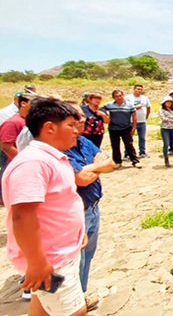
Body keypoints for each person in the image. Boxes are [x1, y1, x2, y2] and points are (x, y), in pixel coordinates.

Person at [2, 97, 87, 316]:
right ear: (49, 127)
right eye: (70, 125)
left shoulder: (51, 158)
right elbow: (22, 216)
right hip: (51, 258)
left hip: (59, 251)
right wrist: (37, 261)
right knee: (74, 312)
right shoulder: (34, 163)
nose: (76, 130)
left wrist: (77, 233)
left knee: (43, 310)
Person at [64, 102, 115, 312]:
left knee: (88, 256)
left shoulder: (83, 141)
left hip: (92, 207)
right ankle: (72, 303)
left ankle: (80, 296)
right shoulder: (59, 148)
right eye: (77, 116)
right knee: (75, 260)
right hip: (76, 212)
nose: (83, 119)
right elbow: (82, 179)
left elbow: (110, 163)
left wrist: (92, 168)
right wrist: (97, 166)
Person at [1, 93, 32, 205]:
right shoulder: (12, 122)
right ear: (23, 103)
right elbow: (7, 146)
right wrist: (25, 162)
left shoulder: (30, 121)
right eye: (32, 102)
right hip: (21, 168)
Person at [101, 90, 141, 169]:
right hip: (113, 128)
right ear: (113, 97)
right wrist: (105, 116)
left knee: (129, 145)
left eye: (120, 95)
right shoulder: (109, 105)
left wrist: (134, 127)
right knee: (115, 146)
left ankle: (135, 161)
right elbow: (101, 110)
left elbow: (134, 117)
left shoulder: (129, 105)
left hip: (126, 128)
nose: (119, 98)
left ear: (123, 95)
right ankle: (117, 162)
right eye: (116, 96)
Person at [124, 84, 151, 158]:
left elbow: (148, 108)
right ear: (134, 89)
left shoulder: (144, 98)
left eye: (141, 89)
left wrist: (146, 117)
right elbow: (124, 107)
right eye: (138, 89)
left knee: (142, 138)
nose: (139, 91)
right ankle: (127, 153)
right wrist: (135, 107)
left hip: (142, 121)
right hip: (131, 121)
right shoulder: (128, 98)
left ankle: (142, 152)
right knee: (129, 138)